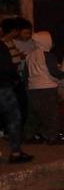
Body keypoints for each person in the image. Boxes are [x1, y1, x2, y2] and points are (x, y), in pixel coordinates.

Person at [24, 30, 64, 145]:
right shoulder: (48, 55)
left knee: (34, 113)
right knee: (51, 114)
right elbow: (53, 72)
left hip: (33, 88)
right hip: (47, 88)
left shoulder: (29, 56)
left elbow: (26, 74)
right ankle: (52, 137)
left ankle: (29, 135)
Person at [0, 21, 31, 163]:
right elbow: (7, 67)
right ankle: (15, 153)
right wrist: (15, 79)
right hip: (3, 87)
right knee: (13, 117)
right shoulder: (2, 46)